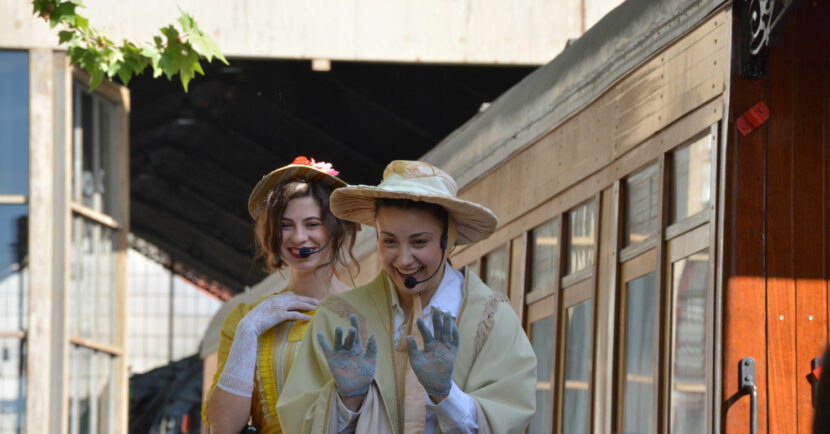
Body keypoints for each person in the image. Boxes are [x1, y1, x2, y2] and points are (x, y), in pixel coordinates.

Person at [277, 160, 536, 433]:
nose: (403, 259)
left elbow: (508, 421)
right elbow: (297, 422)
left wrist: (445, 394)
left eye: (419, 242)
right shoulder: (337, 318)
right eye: (389, 241)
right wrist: (346, 399)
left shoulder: (492, 318)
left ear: (448, 239)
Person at [202, 156, 358, 434]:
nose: (298, 238)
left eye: (312, 224)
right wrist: (248, 332)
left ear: (337, 228)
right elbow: (222, 428)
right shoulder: (244, 319)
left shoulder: (372, 310)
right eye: (286, 225)